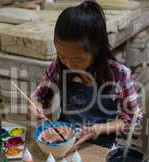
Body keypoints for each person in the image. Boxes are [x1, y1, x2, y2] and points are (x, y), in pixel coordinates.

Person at [28, 1, 142, 149]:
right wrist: (35, 104)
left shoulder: (118, 75)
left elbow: (133, 118)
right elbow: (40, 96)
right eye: (62, 56)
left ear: (96, 50)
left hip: (100, 146)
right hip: (65, 141)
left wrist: (100, 128)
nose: (68, 64)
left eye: (77, 59)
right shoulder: (57, 68)